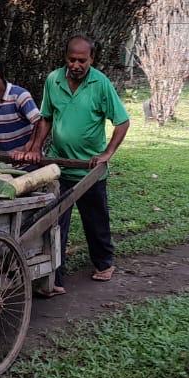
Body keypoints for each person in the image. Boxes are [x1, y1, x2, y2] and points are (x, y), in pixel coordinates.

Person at [19, 35, 129, 297]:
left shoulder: (100, 83)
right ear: (65, 57)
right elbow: (45, 118)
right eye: (72, 59)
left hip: (89, 170)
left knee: (95, 221)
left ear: (91, 59)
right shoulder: (53, 80)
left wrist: (107, 154)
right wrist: (36, 147)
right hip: (59, 167)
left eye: (82, 60)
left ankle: (104, 264)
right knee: (56, 225)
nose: (76, 65)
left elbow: (122, 122)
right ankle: (55, 279)